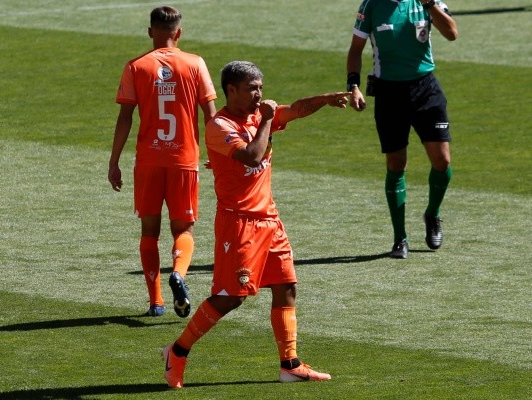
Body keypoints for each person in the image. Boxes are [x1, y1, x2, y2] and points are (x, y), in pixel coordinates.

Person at [161, 61, 350, 388]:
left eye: (260, 87)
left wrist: (326, 99)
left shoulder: (256, 115)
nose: (259, 94)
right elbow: (252, 156)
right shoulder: (220, 126)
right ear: (231, 90)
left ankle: (290, 364)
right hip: (239, 224)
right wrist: (266, 120)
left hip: (269, 220)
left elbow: (296, 110)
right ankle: (177, 352)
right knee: (231, 297)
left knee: (286, 286)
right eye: (252, 88)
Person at [108, 6, 217, 317]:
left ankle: (155, 301)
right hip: (184, 160)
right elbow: (211, 116)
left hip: (148, 161)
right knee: (184, 229)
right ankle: (178, 274)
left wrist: (114, 162)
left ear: (149, 32)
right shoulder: (195, 63)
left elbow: (125, 117)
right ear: (178, 33)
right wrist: (216, 153)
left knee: (149, 232)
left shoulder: (135, 66)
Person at [346, 0, 458, 259]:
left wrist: (430, 5)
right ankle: (400, 238)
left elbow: (452, 33)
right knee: (396, 163)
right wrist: (353, 86)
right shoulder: (372, 5)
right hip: (389, 94)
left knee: (442, 161)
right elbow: (355, 49)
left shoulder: (426, 3)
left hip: (426, 90)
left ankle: (432, 214)